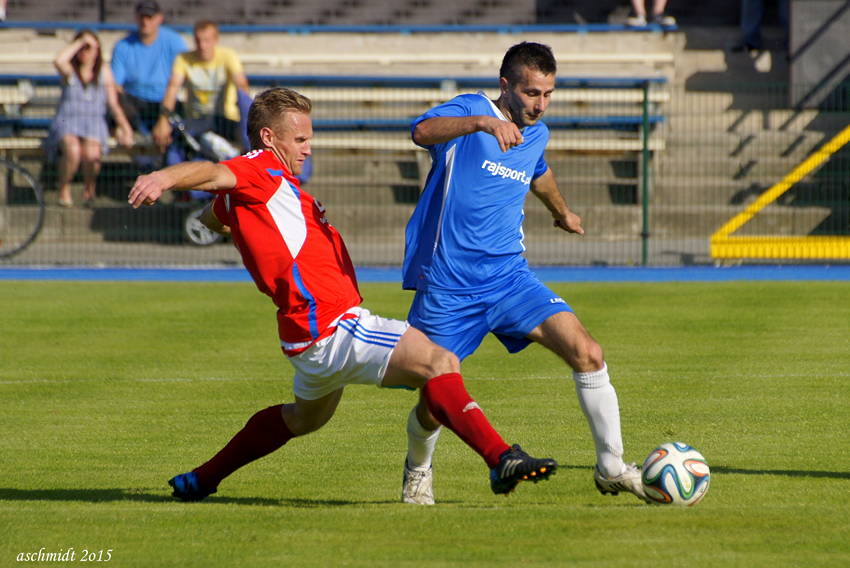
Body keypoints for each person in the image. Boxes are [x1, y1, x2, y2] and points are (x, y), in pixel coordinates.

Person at [127, 87, 558, 502]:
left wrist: (237, 225)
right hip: (331, 323)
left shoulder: (261, 187)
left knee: (303, 418)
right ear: (267, 137)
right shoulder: (256, 167)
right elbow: (214, 172)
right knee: (439, 362)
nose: (308, 148)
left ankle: (201, 479)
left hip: (306, 334)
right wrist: (162, 177)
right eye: (300, 138)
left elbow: (216, 210)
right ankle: (500, 458)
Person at [399, 42, 648, 506]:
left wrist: (563, 212)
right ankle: (418, 469)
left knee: (588, 352)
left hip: (510, 279)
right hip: (450, 283)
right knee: (435, 395)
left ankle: (611, 467)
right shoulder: (473, 109)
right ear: (506, 85)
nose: (540, 103)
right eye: (532, 92)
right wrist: (483, 122)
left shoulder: (537, 133)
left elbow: (539, 172)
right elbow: (421, 130)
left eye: (548, 93)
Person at [45, 30, 134, 207]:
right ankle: (64, 187)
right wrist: (79, 42)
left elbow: (113, 104)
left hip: (93, 123)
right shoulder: (70, 71)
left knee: (92, 153)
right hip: (68, 122)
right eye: (82, 48)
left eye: (90, 48)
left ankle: (89, 189)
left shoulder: (104, 71)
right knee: (73, 150)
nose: (86, 51)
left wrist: (125, 128)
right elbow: (58, 61)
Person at [152, 19, 250, 164]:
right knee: (174, 138)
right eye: (198, 41)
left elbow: (242, 85)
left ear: (216, 40)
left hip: (225, 120)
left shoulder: (228, 56)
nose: (202, 46)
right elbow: (173, 87)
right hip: (196, 120)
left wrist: (246, 121)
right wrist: (163, 119)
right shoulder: (183, 59)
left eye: (207, 40)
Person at [111, 0, 187, 144]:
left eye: (150, 17)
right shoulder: (123, 46)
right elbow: (116, 86)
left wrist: (164, 118)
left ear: (160, 18)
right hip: (135, 104)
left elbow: (179, 80)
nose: (145, 22)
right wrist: (123, 122)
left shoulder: (174, 42)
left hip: (165, 102)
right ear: (136, 18)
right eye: (142, 17)